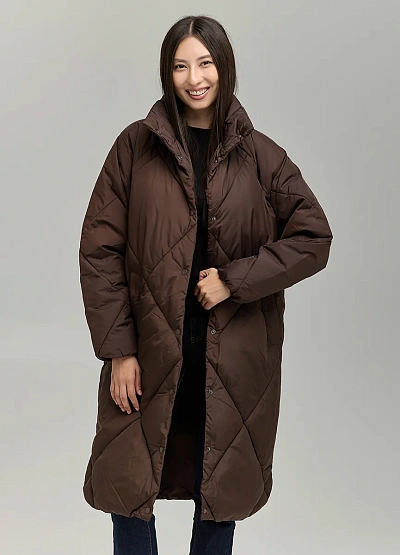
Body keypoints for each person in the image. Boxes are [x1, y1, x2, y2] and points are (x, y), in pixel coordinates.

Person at [79, 14, 333, 555]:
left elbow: (314, 237)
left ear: (225, 67)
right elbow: (99, 251)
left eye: (205, 63)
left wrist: (235, 281)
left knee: (220, 492)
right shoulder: (134, 147)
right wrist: (119, 350)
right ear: (166, 73)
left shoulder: (261, 155)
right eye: (180, 66)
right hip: (149, 352)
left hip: (233, 358)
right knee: (128, 485)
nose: (194, 78)